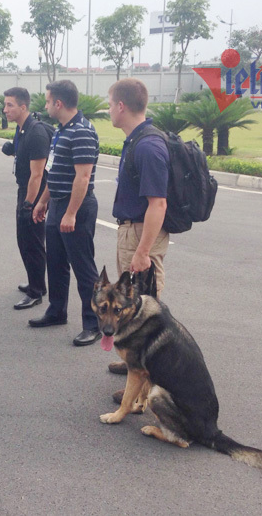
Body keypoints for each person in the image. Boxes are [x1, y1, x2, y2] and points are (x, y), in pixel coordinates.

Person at [30, 80, 101, 347]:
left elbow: (82, 178)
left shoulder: (81, 131)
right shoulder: (62, 131)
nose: (46, 105)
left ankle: (92, 323)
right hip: (58, 203)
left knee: (84, 268)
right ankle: (56, 311)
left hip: (77, 208)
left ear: (58, 103)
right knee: (56, 263)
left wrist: (70, 214)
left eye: (48, 101)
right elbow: (57, 171)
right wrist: (43, 201)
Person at [107, 78, 170, 376]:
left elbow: (158, 204)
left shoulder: (148, 146)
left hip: (142, 234)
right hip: (131, 231)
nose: (108, 110)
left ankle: (145, 379)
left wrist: (143, 251)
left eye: (109, 105)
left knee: (146, 308)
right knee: (130, 304)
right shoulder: (135, 140)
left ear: (121, 106)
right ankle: (133, 360)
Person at [2, 87, 49, 310]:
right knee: (24, 240)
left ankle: (36, 291)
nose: (5, 109)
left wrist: (29, 204)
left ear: (23, 107)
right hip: (24, 190)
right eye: (5, 105)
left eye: (10, 105)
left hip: (35, 193)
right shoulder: (22, 130)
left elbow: (37, 174)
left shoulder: (36, 132)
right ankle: (35, 281)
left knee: (33, 242)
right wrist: (13, 149)